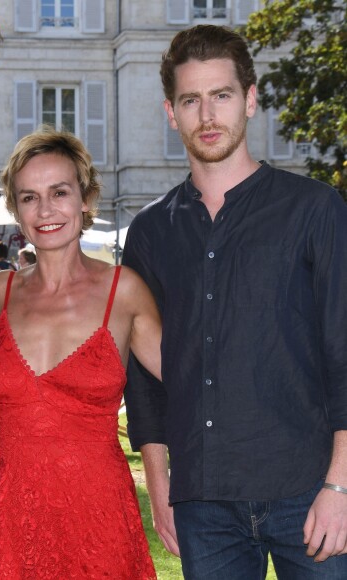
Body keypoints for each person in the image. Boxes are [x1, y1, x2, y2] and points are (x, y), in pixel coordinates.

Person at [122, 24, 347, 579]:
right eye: (190, 100)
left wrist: (340, 485)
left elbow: (344, 353)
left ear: (249, 98)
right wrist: (159, 485)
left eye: (221, 95)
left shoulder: (314, 210)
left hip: (308, 488)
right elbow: (145, 374)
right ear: (171, 112)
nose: (207, 115)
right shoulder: (151, 232)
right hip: (205, 501)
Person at [0, 126, 162, 578]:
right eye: (29, 197)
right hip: (12, 522)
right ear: (15, 210)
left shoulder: (125, 291)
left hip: (98, 521)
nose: (46, 210)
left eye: (59, 191)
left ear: (86, 198)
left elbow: (196, 385)